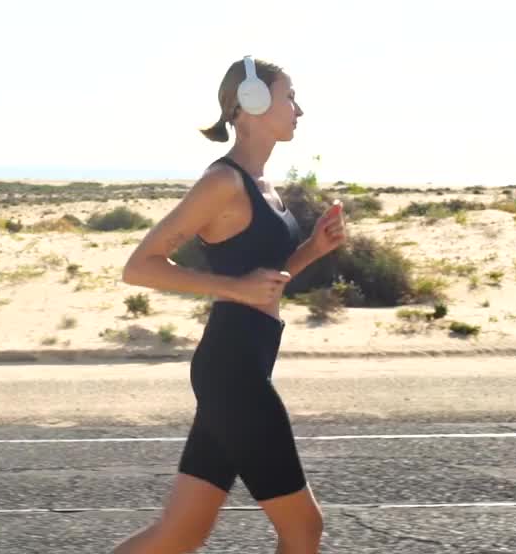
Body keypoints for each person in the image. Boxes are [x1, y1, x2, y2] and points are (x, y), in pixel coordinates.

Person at [113, 56, 348, 553]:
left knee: (180, 534)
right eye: (289, 97)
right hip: (233, 371)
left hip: (241, 364)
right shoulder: (223, 183)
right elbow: (141, 265)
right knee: (304, 528)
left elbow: (264, 279)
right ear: (253, 104)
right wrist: (234, 290)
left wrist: (313, 250)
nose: (298, 109)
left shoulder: (264, 187)